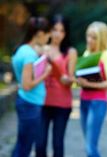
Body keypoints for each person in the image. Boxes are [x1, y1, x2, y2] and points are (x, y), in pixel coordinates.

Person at [35, 15, 77, 157]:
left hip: (62, 105)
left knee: (57, 145)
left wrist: (65, 77)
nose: (58, 34)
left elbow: (70, 81)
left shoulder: (70, 52)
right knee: (39, 144)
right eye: (54, 29)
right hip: (41, 102)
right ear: (49, 30)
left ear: (65, 33)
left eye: (62, 30)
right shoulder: (41, 49)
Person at [11, 17, 51, 157]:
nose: (49, 38)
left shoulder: (22, 49)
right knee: (25, 147)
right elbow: (27, 85)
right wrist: (45, 74)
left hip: (27, 102)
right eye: (47, 34)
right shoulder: (29, 55)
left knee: (21, 143)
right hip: (30, 104)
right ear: (40, 34)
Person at [77, 21, 107, 157]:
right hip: (83, 101)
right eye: (88, 36)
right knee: (88, 143)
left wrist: (88, 84)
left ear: (102, 38)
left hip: (98, 103)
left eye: (94, 37)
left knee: (90, 147)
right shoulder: (87, 52)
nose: (89, 40)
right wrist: (78, 81)